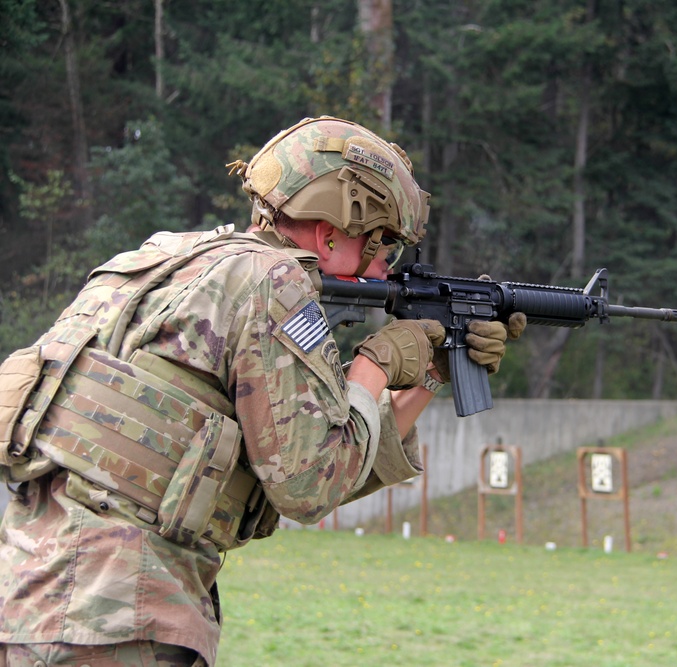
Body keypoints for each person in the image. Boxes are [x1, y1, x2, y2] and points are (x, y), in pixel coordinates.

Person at [0, 116, 525, 667]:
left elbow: (309, 459)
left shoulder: (160, 261)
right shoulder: (277, 282)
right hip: (116, 615)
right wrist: (375, 363)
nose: (383, 270)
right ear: (331, 234)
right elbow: (308, 486)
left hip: (31, 598)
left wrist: (431, 371)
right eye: (383, 247)